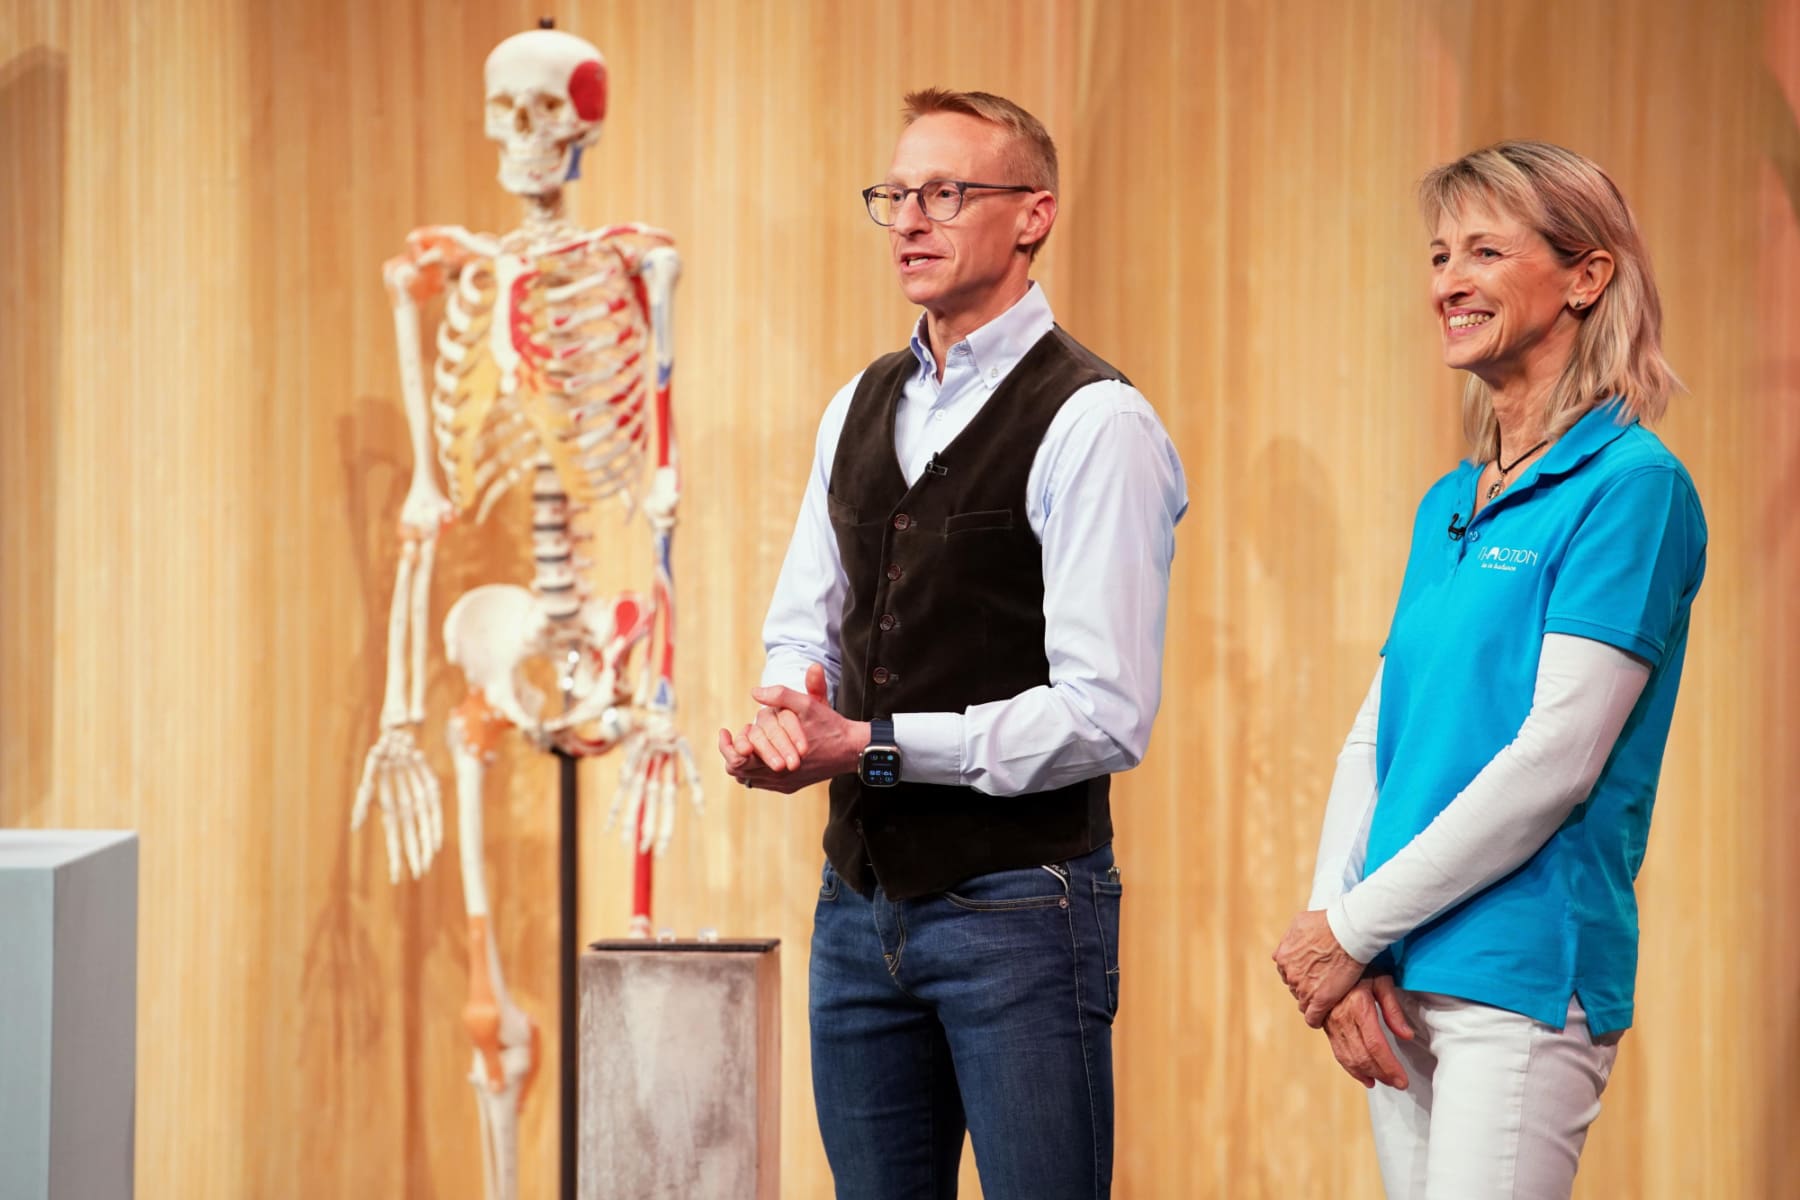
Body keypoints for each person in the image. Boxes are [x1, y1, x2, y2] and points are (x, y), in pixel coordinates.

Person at [716, 89, 1186, 1198]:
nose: (910, 221)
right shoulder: (860, 403)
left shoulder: (1094, 422)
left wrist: (871, 745)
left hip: (1019, 907)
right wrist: (790, 718)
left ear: (1034, 216)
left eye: (946, 193)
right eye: (894, 195)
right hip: (859, 907)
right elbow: (804, 621)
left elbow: (1104, 715)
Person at [1272, 140, 1708, 1199]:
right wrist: (1345, 944)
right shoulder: (1449, 503)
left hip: (1519, 977)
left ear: (1586, 276)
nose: (1449, 283)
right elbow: (1379, 734)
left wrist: (1353, 926)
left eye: (1483, 252)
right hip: (1398, 968)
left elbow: (1555, 759)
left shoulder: (1632, 488)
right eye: (1438, 257)